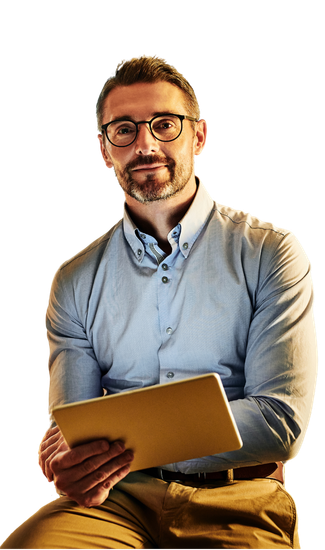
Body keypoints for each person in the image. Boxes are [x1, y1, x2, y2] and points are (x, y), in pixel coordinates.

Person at [2, 54, 318, 549]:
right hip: (115, 502)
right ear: (105, 150)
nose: (145, 144)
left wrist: (121, 441)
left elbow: (279, 423)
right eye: (123, 130)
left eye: (164, 125)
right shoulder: (73, 280)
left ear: (199, 136)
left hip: (240, 499)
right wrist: (67, 463)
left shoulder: (271, 253)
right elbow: (72, 429)